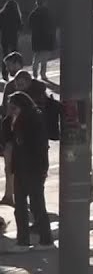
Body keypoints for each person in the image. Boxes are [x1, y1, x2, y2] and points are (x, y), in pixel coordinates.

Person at [6, 91, 52, 249]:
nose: (11, 110)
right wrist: (9, 118)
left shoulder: (32, 118)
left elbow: (40, 147)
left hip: (33, 168)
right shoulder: (15, 120)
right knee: (20, 206)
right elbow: (5, 136)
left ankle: (45, 240)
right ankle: (23, 240)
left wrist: (43, 168)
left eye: (13, 107)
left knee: (37, 205)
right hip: (20, 168)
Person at [26, 0, 55, 82]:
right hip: (46, 37)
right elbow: (51, 25)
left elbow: (29, 25)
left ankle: (35, 72)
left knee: (37, 56)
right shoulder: (47, 13)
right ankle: (43, 73)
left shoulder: (33, 13)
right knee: (44, 57)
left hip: (36, 38)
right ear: (44, 3)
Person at [0, 0, 21, 76]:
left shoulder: (2, 14)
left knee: (5, 55)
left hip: (5, 37)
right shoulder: (16, 14)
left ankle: (4, 72)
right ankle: (15, 72)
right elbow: (20, 26)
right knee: (15, 55)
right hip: (13, 37)